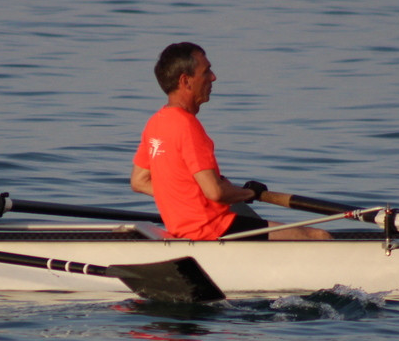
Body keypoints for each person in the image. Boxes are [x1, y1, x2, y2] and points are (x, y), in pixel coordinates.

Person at [130, 42, 329, 241]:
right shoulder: (187, 126)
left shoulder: (155, 123)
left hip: (184, 229)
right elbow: (215, 192)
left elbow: (139, 181)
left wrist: (186, 196)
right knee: (319, 236)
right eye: (206, 71)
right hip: (214, 229)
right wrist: (249, 193)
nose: (213, 77)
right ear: (186, 81)